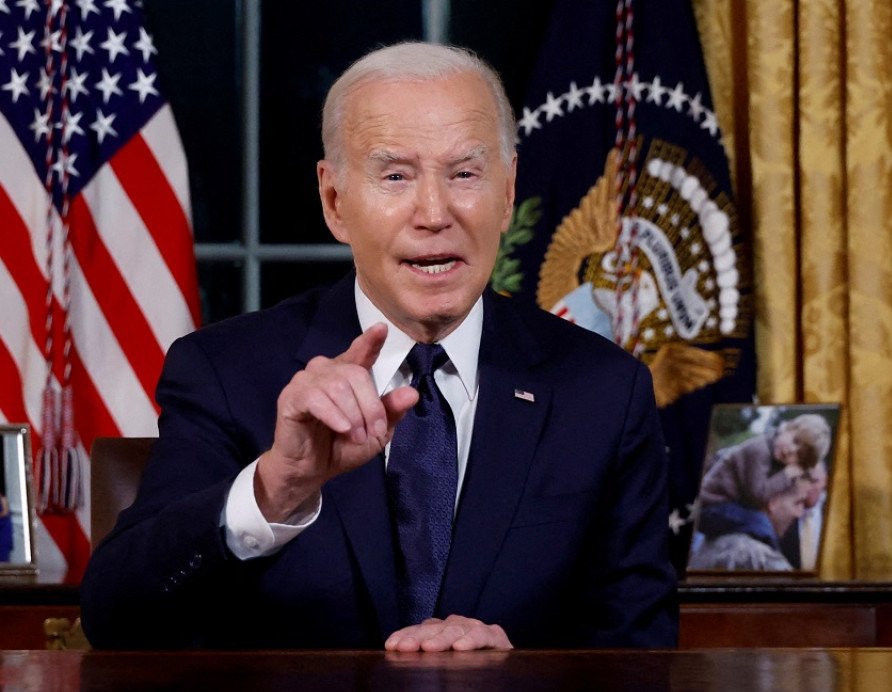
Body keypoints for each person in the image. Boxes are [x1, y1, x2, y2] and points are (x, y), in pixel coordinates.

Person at [80, 42, 676, 651]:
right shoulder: (225, 372)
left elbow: (640, 662)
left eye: (465, 173)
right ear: (335, 201)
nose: (434, 213)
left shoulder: (603, 391)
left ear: (506, 192)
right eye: (395, 176)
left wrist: (518, 682)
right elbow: (116, 619)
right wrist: (277, 486)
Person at [696, 413, 831, 553]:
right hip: (709, 507)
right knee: (760, 523)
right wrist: (786, 474)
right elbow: (758, 495)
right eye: (795, 441)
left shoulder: (775, 456)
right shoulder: (758, 450)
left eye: (799, 455)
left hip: (726, 506)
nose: (791, 450)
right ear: (787, 428)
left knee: (758, 522)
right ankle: (770, 561)